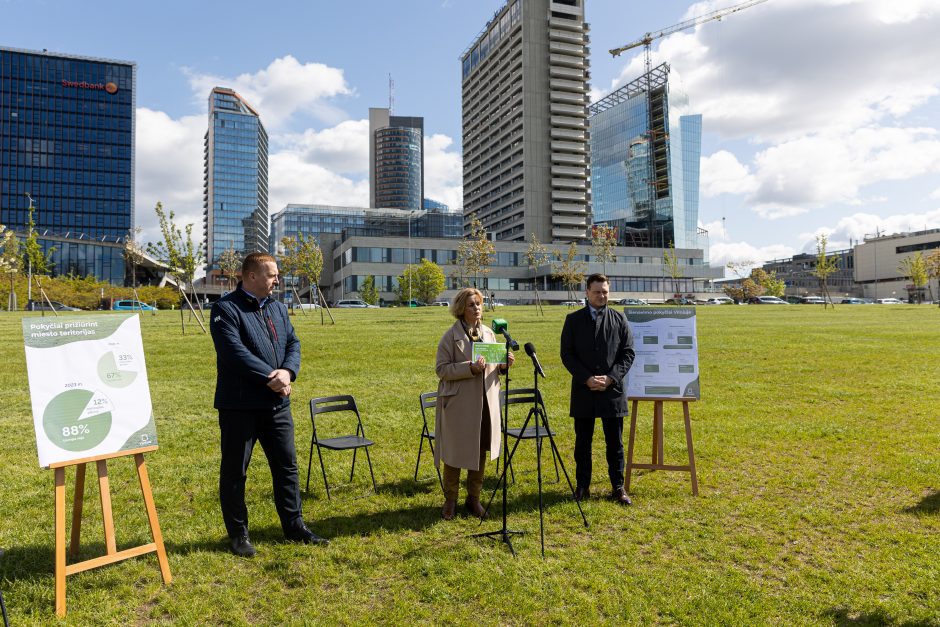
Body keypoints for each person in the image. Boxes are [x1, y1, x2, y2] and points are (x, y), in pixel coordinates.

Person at [210, 252, 328, 557]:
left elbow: (293, 343)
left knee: (287, 466)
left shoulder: (277, 307)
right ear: (251, 276)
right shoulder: (225, 309)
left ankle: (294, 526)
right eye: (272, 274)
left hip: (277, 404)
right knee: (236, 471)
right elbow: (233, 353)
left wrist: (288, 372)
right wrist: (270, 376)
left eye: (276, 275)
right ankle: (239, 535)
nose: (277, 280)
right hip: (240, 406)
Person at [434, 287, 514, 520]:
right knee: (455, 453)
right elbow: (441, 370)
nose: (477, 308)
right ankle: (450, 501)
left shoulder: (489, 333)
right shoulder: (450, 337)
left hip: (485, 404)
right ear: (461, 308)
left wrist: (504, 365)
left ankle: (473, 499)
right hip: (459, 406)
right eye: (472, 304)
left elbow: (494, 366)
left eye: (479, 303)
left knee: (479, 451)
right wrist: (469, 368)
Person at [560, 273, 636, 505]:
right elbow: (567, 354)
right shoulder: (573, 320)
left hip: (612, 392)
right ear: (587, 293)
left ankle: (618, 487)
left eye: (605, 291)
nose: (602, 296)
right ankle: (583, 486)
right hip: (584, 391)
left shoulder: (619, 319)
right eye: (597, 292)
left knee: (615, 443)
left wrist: (611, 378)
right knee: (583, 443)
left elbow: (628, 352)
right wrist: (586, 378)